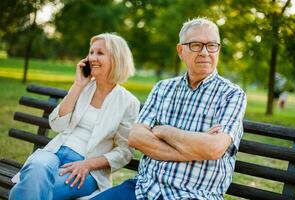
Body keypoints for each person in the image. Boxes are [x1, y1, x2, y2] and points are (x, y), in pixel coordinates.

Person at [92, 17, 247, 200]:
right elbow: (136, 137)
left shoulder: (232, 95)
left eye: (212, 45)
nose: (205, 52)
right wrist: (196, 147)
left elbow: (213, 148)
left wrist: (163, 130)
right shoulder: (163, 88)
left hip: (194, 195)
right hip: (144, 188)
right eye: (196, 45)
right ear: (181, 50)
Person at [9, 33, 140, 200]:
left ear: (117, 59)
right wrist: (78, 85)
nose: (92, 57)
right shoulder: (83, 87)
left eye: (100, 53)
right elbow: (57, 125)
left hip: (87, 167)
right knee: (37, 166)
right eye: (91, 52)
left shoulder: (128, 102)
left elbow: (124, 151)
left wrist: (88, 164)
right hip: (54, 152)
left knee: (30, 190)